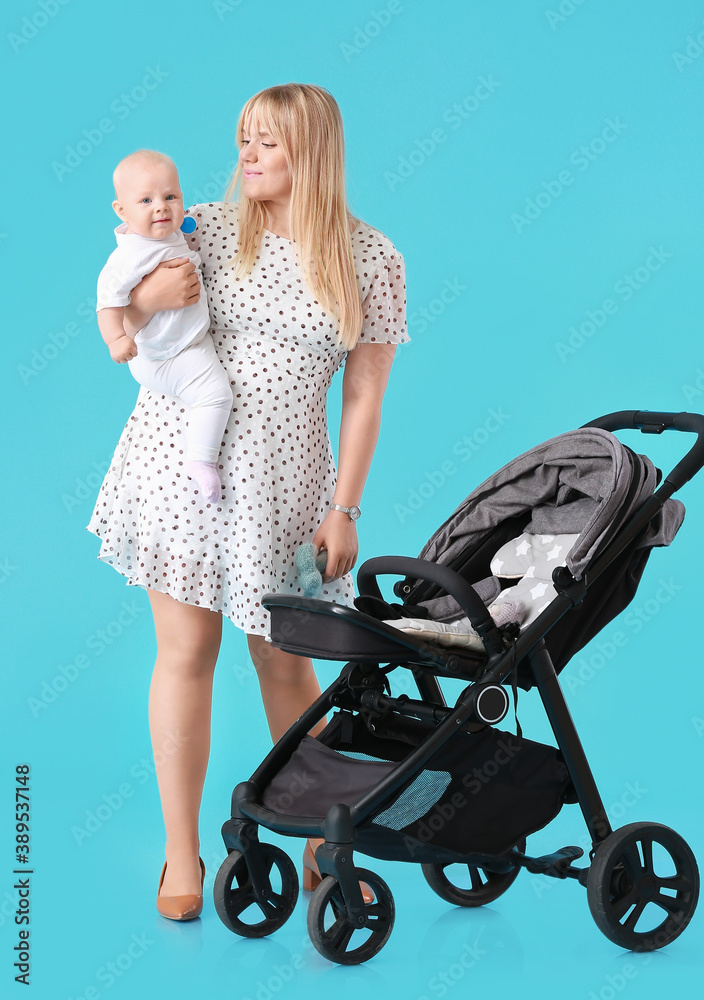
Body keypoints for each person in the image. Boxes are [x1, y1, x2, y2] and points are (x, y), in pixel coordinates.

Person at [87, 83, 408, 921]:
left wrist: (346, 507)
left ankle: (315, 834)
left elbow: (364, 395)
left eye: (266, 142)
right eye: (243, 139)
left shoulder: (371, 258)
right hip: (180, 465)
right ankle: (181, 854)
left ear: (312, 151)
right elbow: (121, 282)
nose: (247, 156)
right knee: (186, 651)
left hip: (288, 485)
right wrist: (144, 304)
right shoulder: (203, 227)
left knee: (284, 660)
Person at [96, 150, 233, 504]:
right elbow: (108, 301)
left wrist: (185, 222)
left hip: (187, 342)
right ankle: (200, 460)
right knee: (215, 394)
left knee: (209, 392)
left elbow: (182, 223)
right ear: (121, 211)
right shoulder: (129, 255)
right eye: (146, 200)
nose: (161, 207)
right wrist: (117, 339)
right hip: (165, 354)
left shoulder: (169, 232)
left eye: (170, 196)